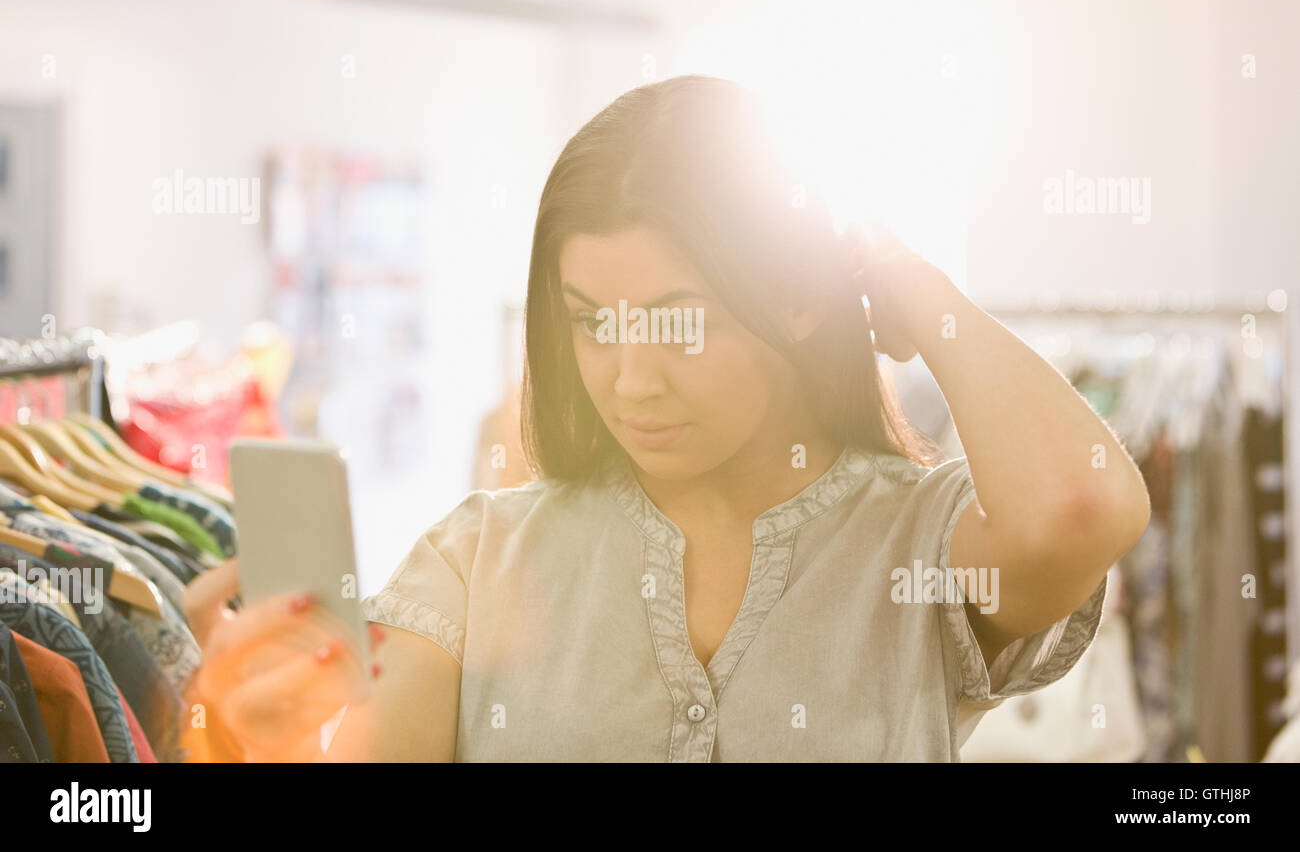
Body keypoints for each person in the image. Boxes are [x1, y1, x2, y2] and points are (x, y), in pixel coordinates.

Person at [182, 75, 1151, 762]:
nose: (629, 378)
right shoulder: (477, 559)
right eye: (591, 321)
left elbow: (1077, 505)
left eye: (675, 321)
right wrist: (230, 743)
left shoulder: (921, 548)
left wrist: (911, 283)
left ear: (795, 298)